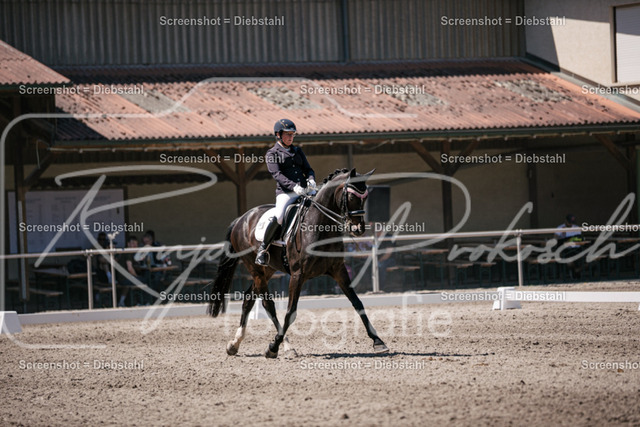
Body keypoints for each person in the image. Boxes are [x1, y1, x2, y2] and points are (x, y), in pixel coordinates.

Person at [255, 119, 317, 265]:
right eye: (288, 134)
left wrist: (311, 179)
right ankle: (263, 249)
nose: (291, 137)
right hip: (286, 193)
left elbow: (308, 169)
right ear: (278, 135)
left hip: (304, 190)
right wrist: (293, 186)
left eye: (292, 134)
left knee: (320, 207)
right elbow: (277, 175)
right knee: (279, 216)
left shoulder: (298, 151)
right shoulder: (272, 153)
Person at [116, 235, 144, 307]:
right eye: (133, 243)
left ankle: (121, 302)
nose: (135, 246)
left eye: (136, 244)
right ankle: (140, 302)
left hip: (121, 278)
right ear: (128, 244)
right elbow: (130, 269)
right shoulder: (128, 252)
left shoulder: (129, 253)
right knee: (144, 280)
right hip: (124, 279)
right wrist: (136, 276)